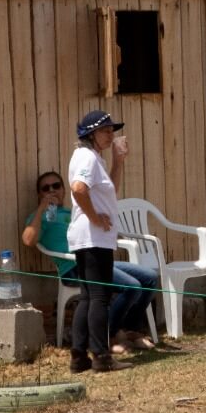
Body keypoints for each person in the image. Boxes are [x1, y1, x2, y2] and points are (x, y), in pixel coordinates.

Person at [22, 169, 157, 355]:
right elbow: (28, 240)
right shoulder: (40, 217)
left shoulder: (72, 212)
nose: (52, 190)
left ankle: (126, 330)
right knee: (132, 287)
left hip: (95, 259)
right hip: (74, 267)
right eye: (46, 188)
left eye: (56, 186)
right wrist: (41, 210)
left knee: (150, 277)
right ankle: (106, 336)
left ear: (63, 189)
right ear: (40, 194)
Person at [65, 110, 131, 373]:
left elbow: (109, 192)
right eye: (105, 130)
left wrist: (118, 162)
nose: (110, 134)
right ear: (91, 133)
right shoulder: (85, 157)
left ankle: (79, 357)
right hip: (92, 237)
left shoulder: (95, 159)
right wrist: (94, 218)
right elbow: (78, 188)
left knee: (89, 297)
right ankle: (101, 357)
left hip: (91, 237)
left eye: (111, 130)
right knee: (100, 297)